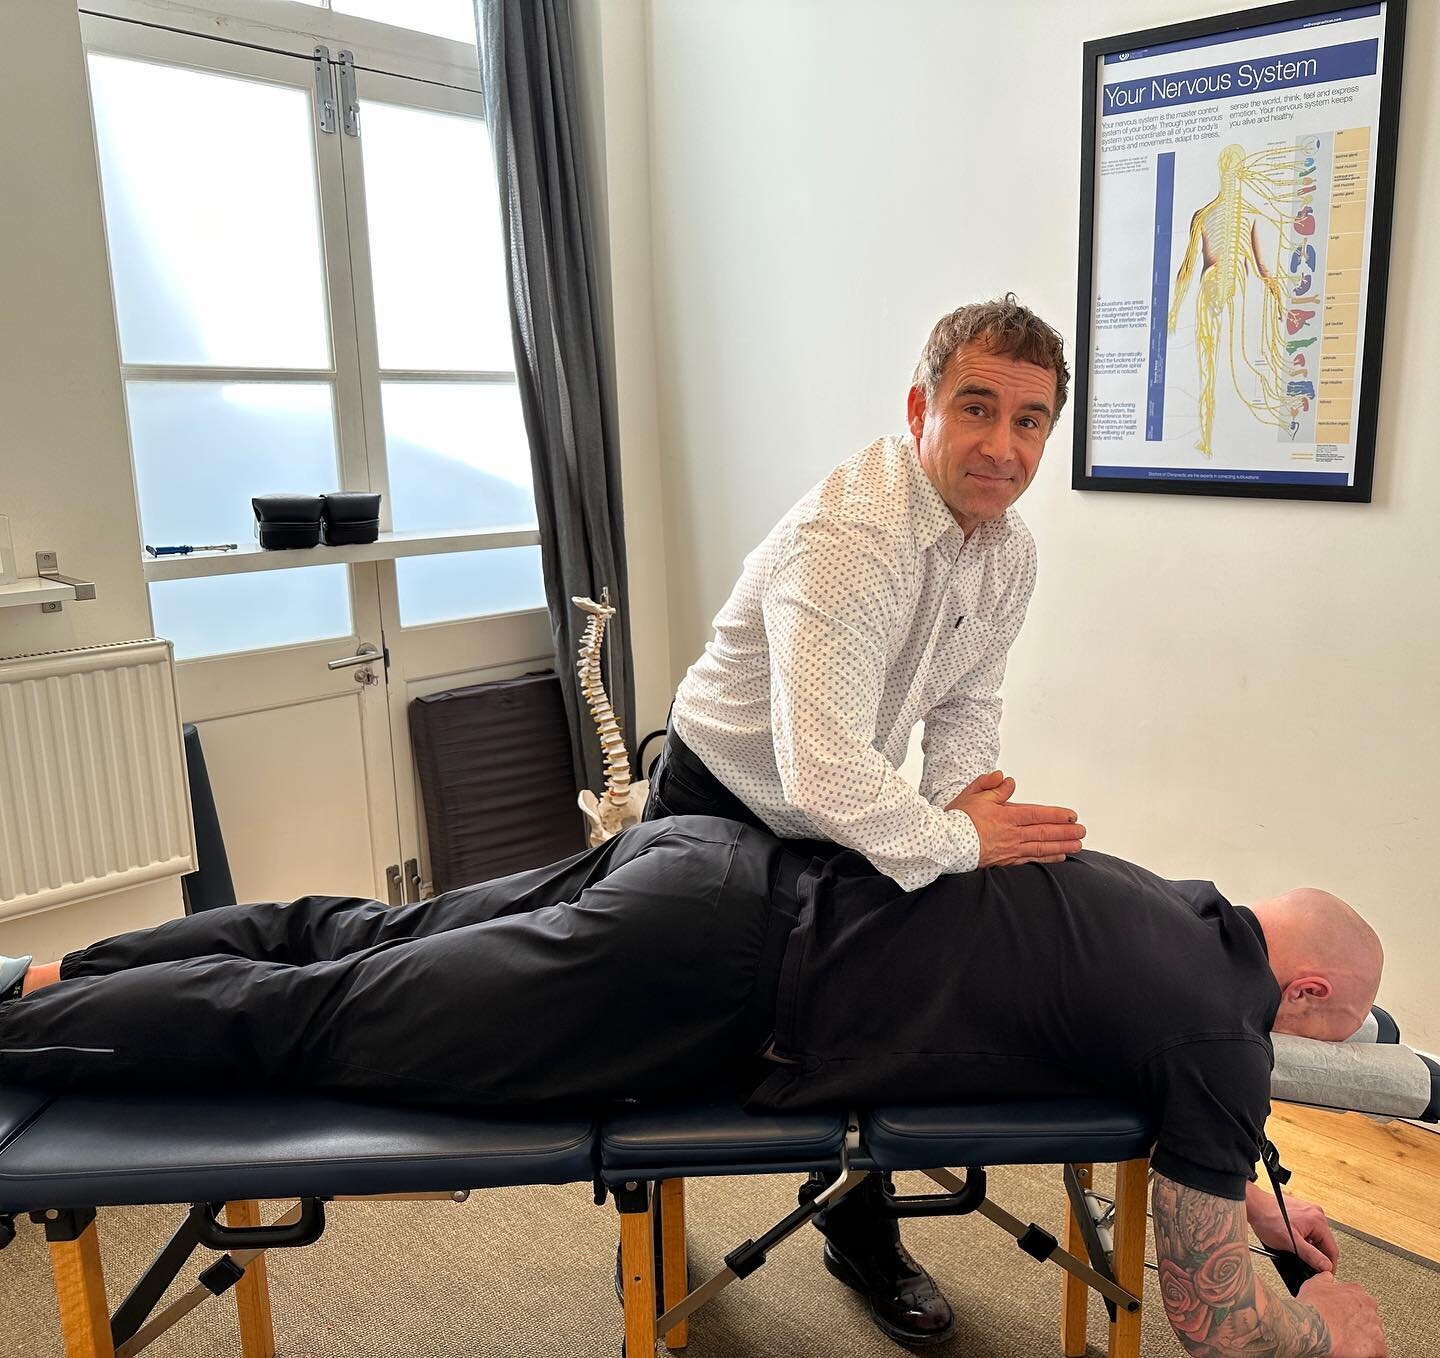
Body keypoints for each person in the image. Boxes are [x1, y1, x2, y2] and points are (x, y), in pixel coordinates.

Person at [0, 818, 1388, 1358]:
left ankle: (50, 975)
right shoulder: (1222, 1036)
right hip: (687, 978)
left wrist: (1254, 1208)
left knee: (348, 934)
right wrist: (1328, 1329)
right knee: (314, 1023)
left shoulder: (1170, 901)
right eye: (1337, 1026)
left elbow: (1153, 1093)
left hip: (700, 862)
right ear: (1310, 993)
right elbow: (1214, 1320)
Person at [644, 294, 1085, 1340]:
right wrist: (957, 839)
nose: (1003, 445)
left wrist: (964, 814)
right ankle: (646, 1227)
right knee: (667, 1033)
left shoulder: (1009, 551)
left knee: (858, 1012)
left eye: (1028, 421)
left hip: (839, 800)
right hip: (721, 794)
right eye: (977, 408)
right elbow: (823, 768)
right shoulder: (851, 536)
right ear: (920, 408)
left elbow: (967, 706)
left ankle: (858, 1229)